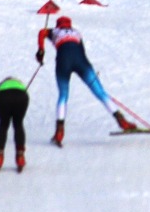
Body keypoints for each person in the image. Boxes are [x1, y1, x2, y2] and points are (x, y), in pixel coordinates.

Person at [36, 16, 136, 147]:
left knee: (63, 95)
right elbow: (82, 51)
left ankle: (59, 131)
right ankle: (121, 120)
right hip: (82, 62)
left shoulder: (55, 31)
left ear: (58, 25)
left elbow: (41, 32)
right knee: (100, 92)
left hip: (63, 62)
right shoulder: (76, 32)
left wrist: (41, 50)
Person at [0, 76, 30, 173]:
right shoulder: (20, 84)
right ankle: (20, 156)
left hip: (1, 96)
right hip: (21, 96)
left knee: (3, 125)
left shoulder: (1, 85)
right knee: (18, 124)